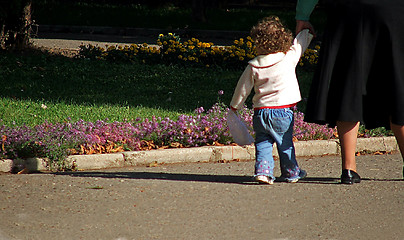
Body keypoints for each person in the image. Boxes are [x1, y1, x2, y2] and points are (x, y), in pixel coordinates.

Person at [296, 0, 404, 184]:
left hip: (347, 10)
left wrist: (303, 15)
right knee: (396, 83)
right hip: (391, 9)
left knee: (347, 81)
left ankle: (348, 168)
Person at [230, 16, 313, 184]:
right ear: (283, 39)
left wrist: (234, 106)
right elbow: (299, 46)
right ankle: (291, 172)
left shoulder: (254, 65)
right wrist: (307, 32)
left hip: (261, 112)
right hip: (282, 112)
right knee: (285, 143)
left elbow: (243, 88)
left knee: (263, 143)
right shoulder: (288, 57)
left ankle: (263, 172)